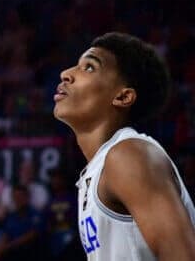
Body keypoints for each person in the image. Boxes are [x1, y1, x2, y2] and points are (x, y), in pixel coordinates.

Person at [53, 31, 195, 258]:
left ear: (123, 97)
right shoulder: (97, 170)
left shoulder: (129, 154)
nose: (66, 74)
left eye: (89, 67)